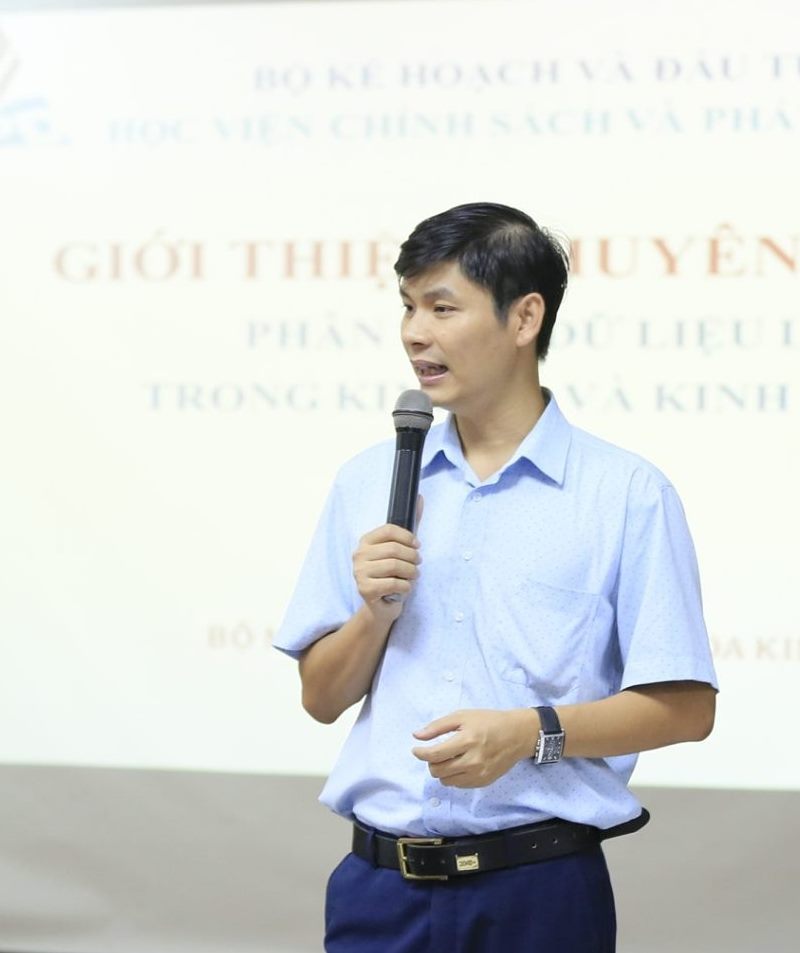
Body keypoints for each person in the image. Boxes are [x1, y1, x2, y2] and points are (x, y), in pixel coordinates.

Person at [274, 202, 718, 953]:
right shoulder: (370, 480)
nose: (415, 333)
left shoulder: (624, 494)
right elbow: (320, 698)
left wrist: (529, 732)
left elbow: (685, 708)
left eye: (442, 307)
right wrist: (373, 614)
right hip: (377, 893)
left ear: (524, 318)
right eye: (408, 306)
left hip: (537, 892)